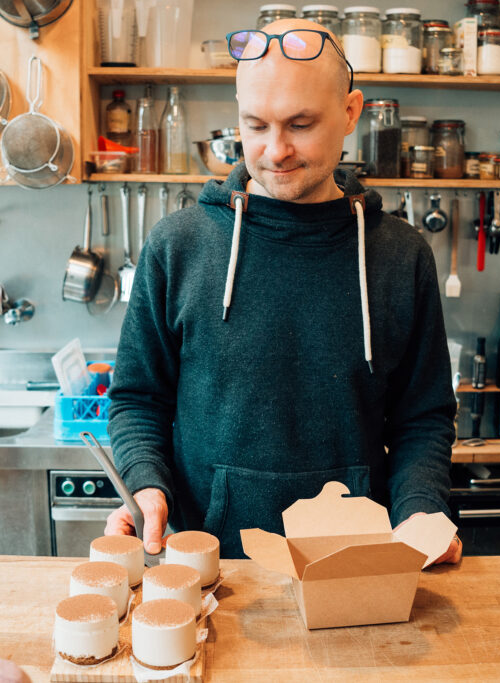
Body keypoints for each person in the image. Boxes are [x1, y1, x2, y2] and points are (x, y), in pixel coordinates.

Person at [105, 18, 461, 564]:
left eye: (300, 124)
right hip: (210, 566)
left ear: (349, 113)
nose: (275, 150)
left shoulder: (401, 255)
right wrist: (146, 482)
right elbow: (138, 399)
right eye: (256, 125)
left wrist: (421, 510)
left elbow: (423, 417)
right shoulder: (178, 247)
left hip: (357, 568)